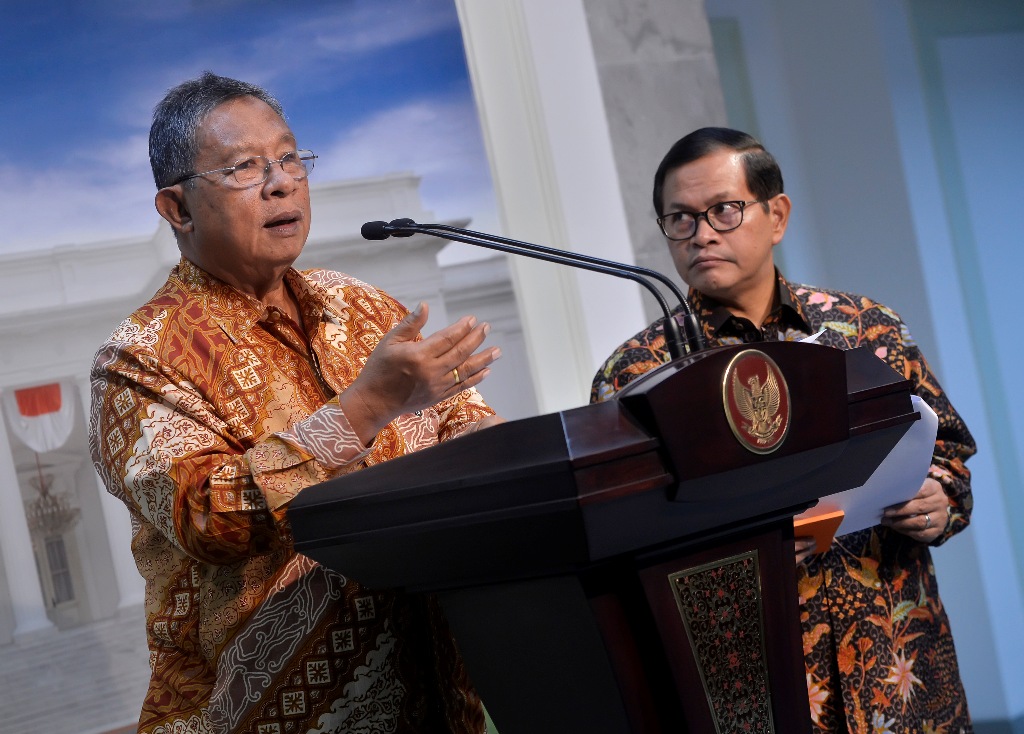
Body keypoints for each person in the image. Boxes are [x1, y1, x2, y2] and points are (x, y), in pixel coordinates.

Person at [88, 72, 503, 734]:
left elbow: (469, 435)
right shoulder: (140, 358)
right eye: (244, 168)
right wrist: (365, 410)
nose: (281, 183)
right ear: (177, 209)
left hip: (438, 700)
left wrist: (502, 455)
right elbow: (208, 518)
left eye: (290, 160)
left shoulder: (364, 307)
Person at [591, 127, 976, 734]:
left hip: (898, 663)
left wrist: (940, 499)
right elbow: (622, 538)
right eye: (680, 219)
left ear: (777, 215)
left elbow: (948, 450)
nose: (703, 234)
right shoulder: (638, 374)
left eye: (723, 210)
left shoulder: (863, 328)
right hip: (757, 687)